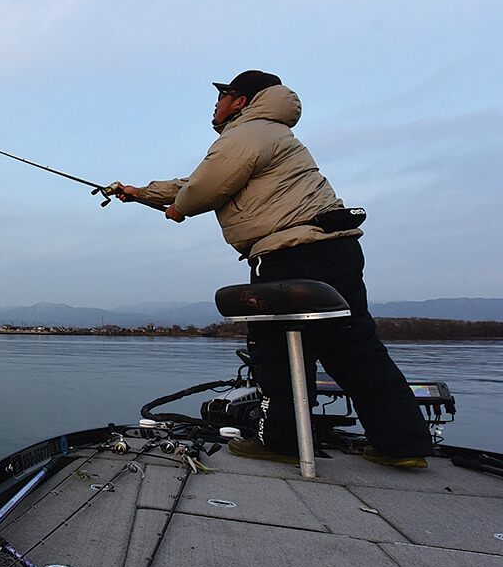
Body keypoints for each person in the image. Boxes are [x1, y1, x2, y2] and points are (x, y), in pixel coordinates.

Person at [118, 70, 432, 468]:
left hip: (289, 253)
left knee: (276, 347)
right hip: (334, 249)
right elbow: (200, 180)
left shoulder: (245, 134)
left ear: (241, 101)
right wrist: (140, 193)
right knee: (355, 348)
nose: (215, 105)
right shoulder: (270, 135)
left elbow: (205, 187)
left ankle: (281, 442)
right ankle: (402, 445)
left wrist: (179, 209)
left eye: (222, 96)